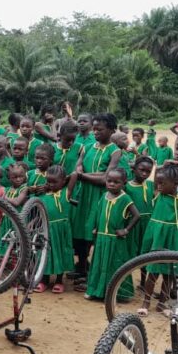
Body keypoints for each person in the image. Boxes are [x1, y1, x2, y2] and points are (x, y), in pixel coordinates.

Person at [71, 113, 122, 289]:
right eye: (94, 129)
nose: (95, 132)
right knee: (80, 232)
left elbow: (106, 179)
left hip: (100, 197)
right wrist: (82, 172)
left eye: (99, 129)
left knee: (94, 232)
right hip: (83, 194)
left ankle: (92, 274)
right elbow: (78, 165)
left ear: (112, 130)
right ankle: (82, 269)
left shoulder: (115, 151)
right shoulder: (88, 147)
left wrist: (82, 175)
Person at [138, 164, 178, 315]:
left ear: (176, 183)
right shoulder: (159, 194)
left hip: (175, 239)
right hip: (159, 238)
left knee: (170, 274)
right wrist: (165, 165)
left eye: (163, 183)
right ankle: (146, 302)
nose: (159, 185)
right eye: (158, 182)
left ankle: (162, 303)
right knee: (153, 271)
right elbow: (157, 173)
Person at [85, 168, 140, 300]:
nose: (111, 184)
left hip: (115, 240)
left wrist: (126, 230)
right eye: (109, 181)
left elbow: (137, 215)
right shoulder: (104, 196)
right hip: (102, 238)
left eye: (116, 182)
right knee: (98, 265)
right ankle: (96, 291)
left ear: (124, 183)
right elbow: (100, 213)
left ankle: (118, 294)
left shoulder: (125, 198)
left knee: (114, 265)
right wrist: (96, 228)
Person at [37, 165, 77, 293]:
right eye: (48, 181)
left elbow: (75, 174)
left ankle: (59, 280)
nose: (51, 184)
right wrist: (46, 185)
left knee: (61, 253)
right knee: (46, 254)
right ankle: (44, 280)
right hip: (47, 229)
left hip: (61, 231)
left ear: (64, 181)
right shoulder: (43, 194)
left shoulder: (66, 193)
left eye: (55, 182)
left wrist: (65, 178)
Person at [124, 156, 155, 257]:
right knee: (131, 252)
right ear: (134, 169)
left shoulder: (151, 184)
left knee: (146, 251)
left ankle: (144, 272)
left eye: (148, 171)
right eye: (142, 170)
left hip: (148, 224)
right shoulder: (126, 186)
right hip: (133, 223)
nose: (145, 173)